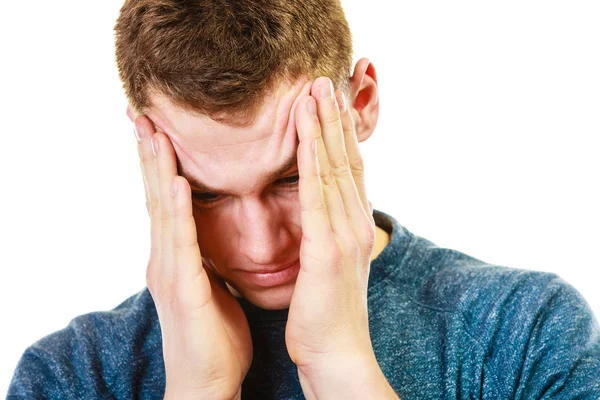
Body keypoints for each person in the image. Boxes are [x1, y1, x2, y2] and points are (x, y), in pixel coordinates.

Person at [7, 0, 600, 398]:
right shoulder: (69, 375)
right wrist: (200, 388)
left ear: (361, 102)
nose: (262, 244)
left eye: (291, 178)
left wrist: (339, 365)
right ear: (149, 151)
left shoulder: (524, 332)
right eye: (208, 194)